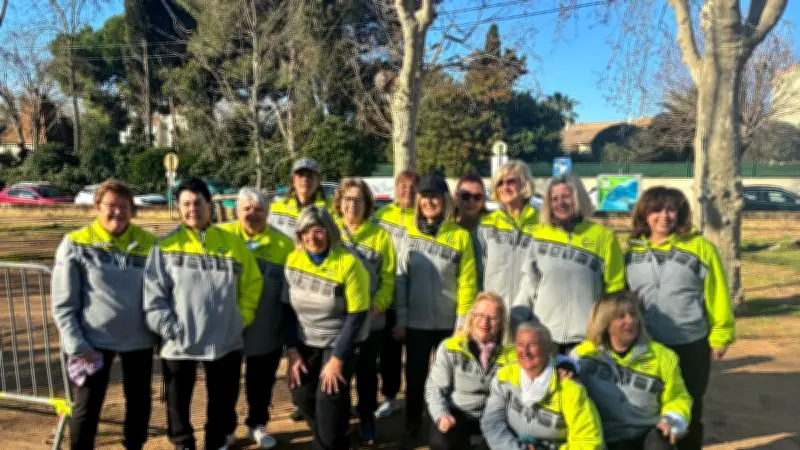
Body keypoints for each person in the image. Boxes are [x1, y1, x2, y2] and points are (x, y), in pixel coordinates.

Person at [144, 178, 263, 450]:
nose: (192, 209)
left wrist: (241, 318)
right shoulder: (164, 246)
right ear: (178, 208)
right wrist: (169, 328)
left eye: (198, 203)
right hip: (179, 341)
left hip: (224, 339)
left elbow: (252, 284)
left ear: (209, 205)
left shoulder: (233, 244)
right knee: (177, 400)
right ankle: (183, 442)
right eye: (186, 204)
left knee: (223, 398)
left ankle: (216, 441)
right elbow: (154, 295)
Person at [52, 179, 158, 450]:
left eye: (124, 206)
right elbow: (63, 302)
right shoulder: (76, 243)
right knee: (88, 404)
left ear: (132, 209)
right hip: (92, 342)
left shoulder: (149, 243)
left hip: (140, 340)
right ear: (97, 206)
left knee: (139, 402)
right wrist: (76, 343)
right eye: (111, 205)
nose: (118, 212)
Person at [626, 187, 735, 450]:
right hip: (647, 344)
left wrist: (721, 335)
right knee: (648, 404)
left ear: (681, 213)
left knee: (690, 406)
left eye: (671, 209)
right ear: (644, 214)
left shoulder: (701, 249)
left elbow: (717, 293)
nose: (664, 216)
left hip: (690, 343)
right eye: (656, 210)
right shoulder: (630, 254)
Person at [394, 174, 478, 448]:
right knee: (415, 378)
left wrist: (462, 323)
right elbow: (401, 279)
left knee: (450, 379)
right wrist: (402, 317)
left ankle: (445, 427)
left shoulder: (460, 236)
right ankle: (412, 425)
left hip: (449, 324)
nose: (429, 202)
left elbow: (467, 283)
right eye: (425, 196)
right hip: (416, 323)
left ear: (445, 200)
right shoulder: (409, 233)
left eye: (435, 196)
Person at [282, 206, 371, 450]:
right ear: (299, 235)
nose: (312, 237)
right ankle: (336, 435)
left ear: (330, 231)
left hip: (341, 340)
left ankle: (328, 441)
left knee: (329, 395)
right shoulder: (293, 260)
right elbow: (286, 308)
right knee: (301, 392)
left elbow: (357, 316)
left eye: (319, 230)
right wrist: (291, 350)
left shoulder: (349, 263)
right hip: (307, 338)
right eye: (305, 232)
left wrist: (337, 359)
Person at [512, 173, 625, 353]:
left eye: (566, 197)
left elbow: (614, 290)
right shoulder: (540, 236)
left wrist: (606, 329)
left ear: (579, 198)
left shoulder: (604, 236)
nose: (560, 203)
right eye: (554, 199)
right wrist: (515, 319)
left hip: (587, 339)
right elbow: (528, 285)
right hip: (544, 336)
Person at [218, 188, 293, 449]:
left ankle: (257, 424)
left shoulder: (284, 244)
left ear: (268, 212)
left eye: (259, 209)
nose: (253, 214)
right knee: (225, 381)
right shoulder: (222, 237)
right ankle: (226, 429)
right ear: (237, 211)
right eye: (247, 209)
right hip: (228, 326)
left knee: (261, 380)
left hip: (267, 324)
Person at [571, 291, 694, 450]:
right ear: (604, 322)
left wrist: (672, 418)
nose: (630, 320)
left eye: (634, 314)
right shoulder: (582, 356)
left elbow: (677, 397)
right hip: (604, 435)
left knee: (660, 444)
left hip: (648, 433)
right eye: (621, 316)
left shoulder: (662, 356)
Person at [332, 178, 396, 445]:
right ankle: (341, 421)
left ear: (368, 203)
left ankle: (367, 418)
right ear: (339, 202)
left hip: (371, 320)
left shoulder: (381, 236)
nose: (352, 205)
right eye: (347, 199)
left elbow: (389, 279)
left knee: (367, 375)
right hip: (339, 320)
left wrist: (377, 306)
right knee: (341, 373)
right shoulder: (331, 230)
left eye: (358, 199)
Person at [481, 322, 604, 450]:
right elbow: (492, 423)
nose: (525, 352)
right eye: (520, 345)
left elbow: (588, 442)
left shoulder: (571, 391)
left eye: (532, 345)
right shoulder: (505, 376)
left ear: (548, 348)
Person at [424, 292, 516, 450]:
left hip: (496, 418)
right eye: (480, 315)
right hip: (457, 414)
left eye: (492, 318)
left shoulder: (512, 355)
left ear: (501, 323)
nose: (485, 322)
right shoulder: (450, 347)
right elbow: (435, 388)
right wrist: (442, 415)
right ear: (471, 317)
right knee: (441, 443)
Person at [373, 170, 419, 419]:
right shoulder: (382, 215)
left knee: (417, 355)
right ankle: (390, 397)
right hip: (388, 294)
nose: (407, 191)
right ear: (395, 188)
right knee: (389, 353)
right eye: (403, 185)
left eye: (413, 187)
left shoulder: (422, 218)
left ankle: (418, 399)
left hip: (416, 297)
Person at [478, 161, 538, 320]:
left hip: (532, 314)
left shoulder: (542, 224)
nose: (504, 187)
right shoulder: (486, 224)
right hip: (494, 315)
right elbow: (478, 271)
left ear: (524, 183)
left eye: (511, 181)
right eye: (500, 183)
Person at [269, 157, 331, 239]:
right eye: (300, 174)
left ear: (318, 180)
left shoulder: (332, 208)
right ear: (293, 180)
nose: (305, 179)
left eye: (310, 176)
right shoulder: (275, 209)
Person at [453, 172, 488, 290]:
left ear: (483, 200)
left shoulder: (493, 232)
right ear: (455, 197)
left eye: (477, 197)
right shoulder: (444, 229)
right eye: (465, 196)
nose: (471, 201)